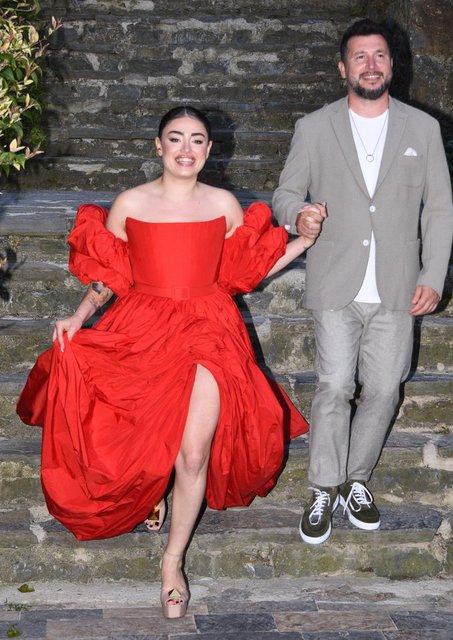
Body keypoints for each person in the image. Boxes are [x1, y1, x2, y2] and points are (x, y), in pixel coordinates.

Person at [17, 106, 318, 618]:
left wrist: (304, 241)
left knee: (194, 454)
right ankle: (154, 490)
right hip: (143, 326)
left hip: (209, 328)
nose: (186, 149)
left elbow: (249, 268)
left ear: (209, 149)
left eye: (197, 140)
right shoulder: (131, 203)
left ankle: (172, 562)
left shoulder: (223, 204)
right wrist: (79, 316)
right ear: (158, 146)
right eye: (175, 138)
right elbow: (110, 275)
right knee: (142, 433)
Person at [272, 18, 453, 545]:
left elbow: (439, 210)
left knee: (384, 388)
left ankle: (355, 479)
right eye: (360, 57)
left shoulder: (423, 129)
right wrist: (298, 215)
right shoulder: (314, 127)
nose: (370, 65)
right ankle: (323, 487)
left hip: (399, 285)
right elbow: (286, 194)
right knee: (334, 385)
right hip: (336, 281)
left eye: (379, 56)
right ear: (343, 68)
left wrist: (432, 276)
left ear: (392, 65)